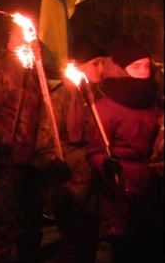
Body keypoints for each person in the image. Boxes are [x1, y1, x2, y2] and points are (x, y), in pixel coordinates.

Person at [87, 37, 163, 263]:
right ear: (121, 70)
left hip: (151, 186)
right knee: (123, 249)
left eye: (147, 66)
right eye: (136, 67)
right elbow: (94, 150)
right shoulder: (106, 107)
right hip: (120, 187)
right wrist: (105, 165)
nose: (143, 72)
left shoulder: (153, 103)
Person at [0, 21, 44, 262]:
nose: (29, 41)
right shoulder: (0, 70)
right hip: (7, 162)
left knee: (32, 225)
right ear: (11, 41)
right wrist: (4, 138)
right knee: (4, 226)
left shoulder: (36, 71)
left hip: (33, 159)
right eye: (23, 36)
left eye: (32, 37)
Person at [35, 37, 109, 263]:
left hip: (95, 187)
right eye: (95, 63)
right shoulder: (59, 98)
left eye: (102, 62)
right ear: (80, 66)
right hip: (70, 187)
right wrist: (53, 164)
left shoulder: (98, 96)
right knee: (73, 248)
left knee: (90, 246)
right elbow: (44, 143)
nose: (101, 68)